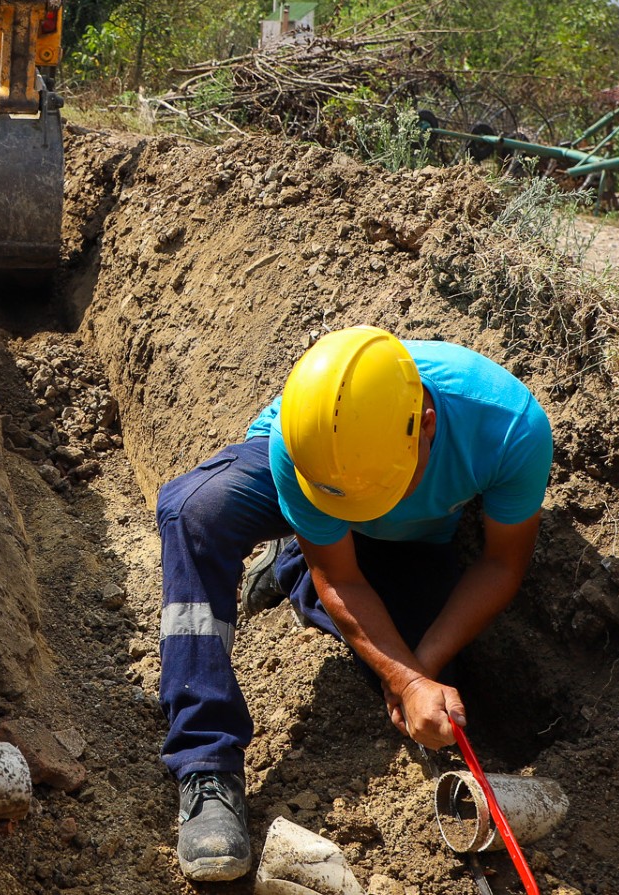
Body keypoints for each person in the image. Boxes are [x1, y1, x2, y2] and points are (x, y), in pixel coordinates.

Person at [156, 326, 553, 882]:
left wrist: (418, 670)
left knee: (413, 649)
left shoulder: (508, 427)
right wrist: (405, 677)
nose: (360, 506)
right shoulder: (299, 447)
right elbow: (337, 573)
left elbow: (500, 565)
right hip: (311, 499)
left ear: (428, 428)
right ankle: (206, 761)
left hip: (410, 538)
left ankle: (294, 562)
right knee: (195, 511)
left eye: (376, 489)